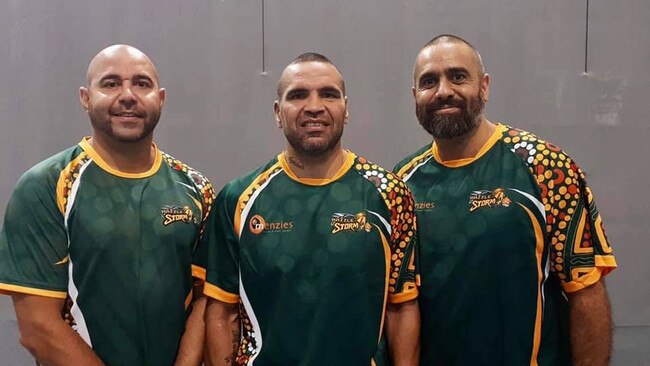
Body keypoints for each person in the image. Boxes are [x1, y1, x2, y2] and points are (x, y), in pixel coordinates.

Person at [394, 34, 617, 366]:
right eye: (429, 81)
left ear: (484, 86)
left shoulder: (547, 167)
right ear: (415, 96)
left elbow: (586, 292)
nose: (443, 91)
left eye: (457, 76)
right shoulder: (401, 183)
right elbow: (398, 306)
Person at [0, 45, 214, 366]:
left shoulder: (197, 189)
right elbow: (37, 327)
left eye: (142, 84)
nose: (128, 95)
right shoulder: (46, 185)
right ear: (86, 98)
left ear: (161, 98)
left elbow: (206, 304)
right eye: (111, 84)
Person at [203, 53, 420, 365]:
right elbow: (221, 312)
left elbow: (402, 308)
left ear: (346, 109)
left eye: (328, 94)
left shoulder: (390, 194)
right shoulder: (238, 198)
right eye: (298, 95)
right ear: (278, 112)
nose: (315, 106)